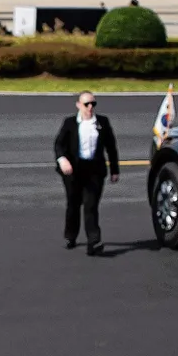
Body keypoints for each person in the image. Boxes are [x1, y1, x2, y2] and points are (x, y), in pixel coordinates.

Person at [54, 91, 120, 255]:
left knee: (91, 205)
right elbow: (59, 144)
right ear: (78, 105)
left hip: (94, 171)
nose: (90, 107)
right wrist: (62, 160)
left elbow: (111, 147)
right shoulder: (70, 123)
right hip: (74, 171)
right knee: (73, 204)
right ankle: (70, 235)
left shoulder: (102, 122)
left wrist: (114, 170)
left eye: (93, 104)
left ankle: (94, 241)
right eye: (86, 104)